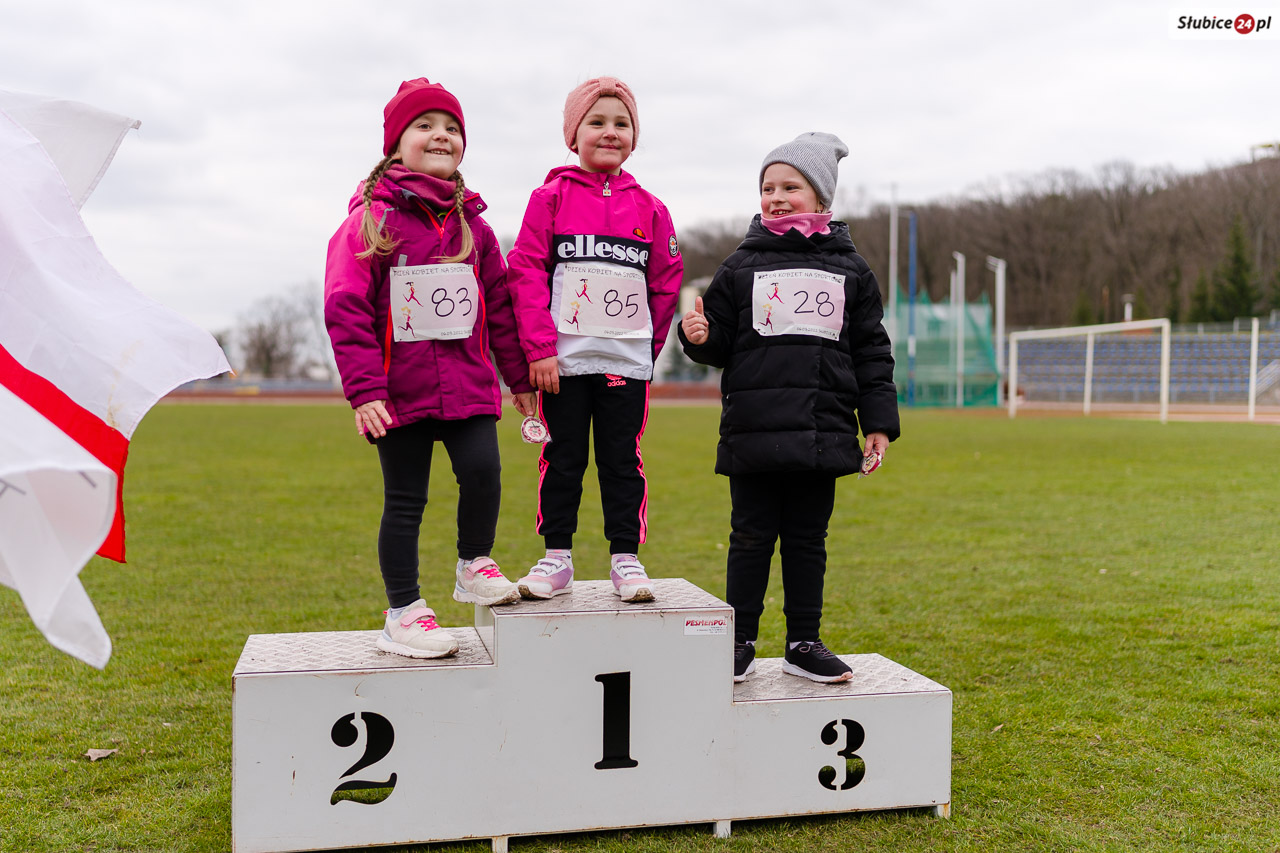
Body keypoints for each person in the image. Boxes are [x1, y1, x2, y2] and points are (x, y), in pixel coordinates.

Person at [324, 78, 536, 658]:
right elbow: (344, 306)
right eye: (424, 126)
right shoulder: (371, 222)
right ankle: (404, 612)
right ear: (396, 144)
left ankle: (474, 563)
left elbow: (500, 307)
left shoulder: (476, 228)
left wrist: (519, 378)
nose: (441, 135)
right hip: (399, 393)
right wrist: (365, 390)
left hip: (469, 387)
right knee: (405, 502)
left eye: (452, 128)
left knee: (484, 473)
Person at [678, 132, 899, 683]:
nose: (776, 197)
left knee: (807, 541)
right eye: (767, 187)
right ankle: (738, 643)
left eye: (790, 187)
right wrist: (698, 336)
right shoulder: (740, 265)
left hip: (822, 433)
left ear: (821, 197)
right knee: (749, 538)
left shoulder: (853, 270)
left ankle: (804, 642)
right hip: (754, 431)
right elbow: (719, 340)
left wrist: (878, 422)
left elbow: (872, 351)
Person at [506, 76, 683, 603]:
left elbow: (665, 282)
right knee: (562, 459)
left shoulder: (651, 209)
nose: (610, 132)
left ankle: (626, 559)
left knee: (622, 460)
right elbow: (526, 272)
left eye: (622, 123)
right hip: (561, 365)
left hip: (624, 366)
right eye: (597, 121)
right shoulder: (549, 199)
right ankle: (556, 557)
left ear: (634, 136)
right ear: (573, 133)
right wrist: (540, 350)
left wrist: (646, 349)